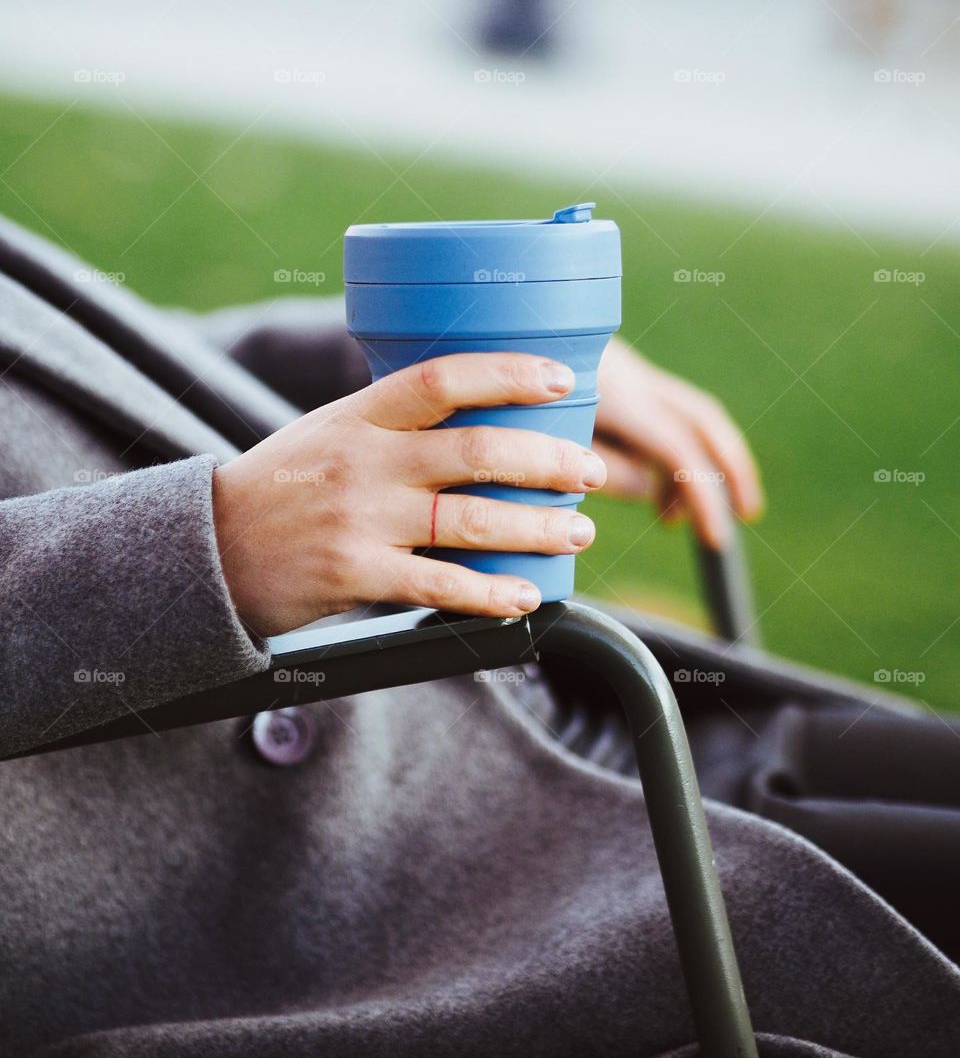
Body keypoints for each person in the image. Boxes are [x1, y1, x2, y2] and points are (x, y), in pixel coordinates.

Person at [0, 213, 954, 1057]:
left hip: (575, 718)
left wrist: (419, 363)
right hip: (400, 927)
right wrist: (210, 551)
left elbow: (80, 370)